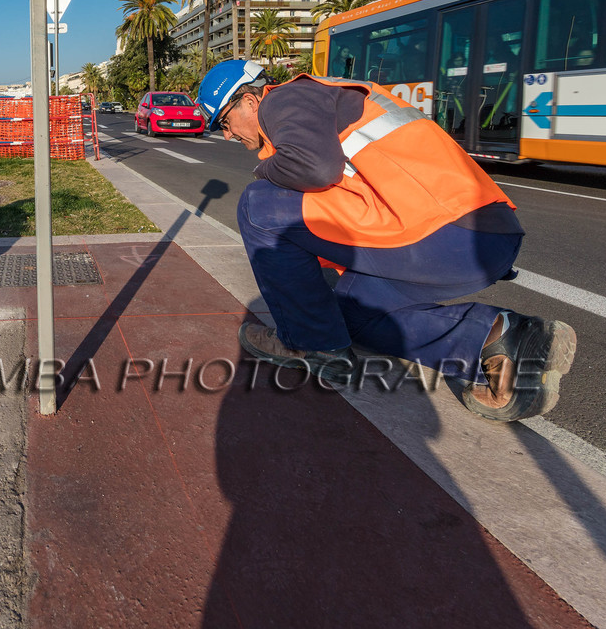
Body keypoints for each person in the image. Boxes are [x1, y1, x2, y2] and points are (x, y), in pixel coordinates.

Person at [197, 60, 576, 422]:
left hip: (446, 231)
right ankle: (501, 342)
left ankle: (304, 343)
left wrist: (262, 170)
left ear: (250, 100)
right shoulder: (316, 104)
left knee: (257, 202)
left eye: (225, 122)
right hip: (474, 240)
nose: (227, 134)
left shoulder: (285, 98)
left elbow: (314, 168)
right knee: (350, 316)